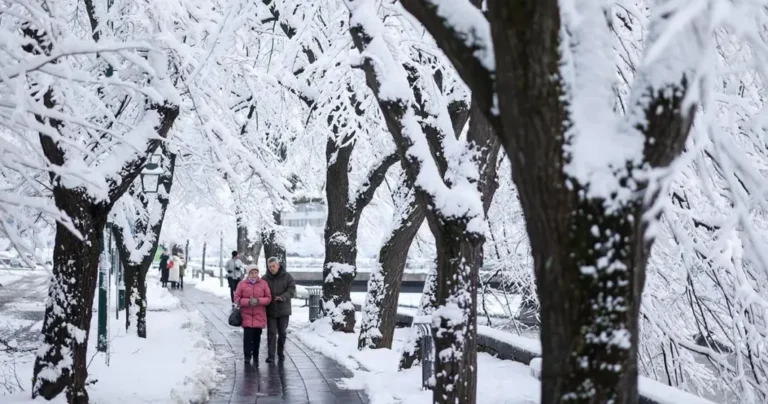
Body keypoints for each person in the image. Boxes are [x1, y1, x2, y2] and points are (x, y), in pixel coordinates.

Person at [234, 265, 271, 364]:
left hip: (259, 315)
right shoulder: (242, 284)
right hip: (246, 315)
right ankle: (247, 356)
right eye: (252, 273)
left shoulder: (264, 284)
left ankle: (255, 355)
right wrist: (247, 302)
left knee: (257, 338)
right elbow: (237, 298)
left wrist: (258, 301)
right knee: (247, 338)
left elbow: (268, 298)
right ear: (248, 274)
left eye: (256, 272)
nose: (254, 275)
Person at [262, 256, 296, 363]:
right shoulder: (264, 278)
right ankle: (271, 355)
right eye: (270, 266)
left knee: (282, 333)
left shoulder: (287, 277)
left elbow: (292, 289)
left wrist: (283, 297)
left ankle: (280, 352)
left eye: (273, 266)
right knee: (271, 333)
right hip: (270, 310)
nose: (271, 268)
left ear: (278, 265)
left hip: (283, 310)